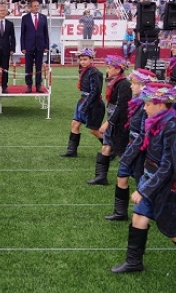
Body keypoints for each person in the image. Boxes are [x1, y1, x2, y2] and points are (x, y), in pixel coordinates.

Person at [111, 82, 176, 286]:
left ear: (160, 104)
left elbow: (170, 167)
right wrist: (124, 160)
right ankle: (134, 262)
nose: (144, 107)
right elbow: (140, 142)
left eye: (147, 103)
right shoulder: (153, 121)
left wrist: (143, 190)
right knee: (139, 218)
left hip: (172, 189)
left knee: (173, 231)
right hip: (152, 181)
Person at [105, 68, 157, 221]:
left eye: (134, 83)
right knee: (121, 176)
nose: (130, 86)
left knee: (142, 181)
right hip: (131, 145)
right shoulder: (135, 102)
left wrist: (130, 153)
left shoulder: (147, 105)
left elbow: (143, 133)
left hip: (141, 150)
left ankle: (153, 211)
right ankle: (120, 212)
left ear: (143, 86)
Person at [88, 55, 132, 185]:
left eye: (109, 67)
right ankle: (101, 176)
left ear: (118, 70)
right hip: (113, 115)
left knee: (122, 151)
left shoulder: (124, 84)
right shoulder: (115, 81)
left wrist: (109, 122)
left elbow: (122, 107)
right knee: (106, 146)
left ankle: (143, 177)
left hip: (119, 121)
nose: (107, 70)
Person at [59, 48, 105, 158]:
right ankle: (72, 151)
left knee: (94, 130)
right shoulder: (82, 70)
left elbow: (96, 91)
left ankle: (110, 148)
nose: (82, 62)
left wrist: (86, 105)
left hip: (93, 104)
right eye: (81, 59)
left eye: (85, 59)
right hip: (83, 101)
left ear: (91, 59)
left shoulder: (95, 72)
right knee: (75, 124)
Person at [20, 0, 49, 93]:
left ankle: (38, 85)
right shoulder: (25, 18)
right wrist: (23, 47)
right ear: (30, 7)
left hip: (40, 46)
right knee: (28, 67)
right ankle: (29, 85)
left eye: (37, 6)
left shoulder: (43, 18)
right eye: (35, 6)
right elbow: (23, 34)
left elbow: (46, 33)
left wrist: (46, 46)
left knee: (39, 67)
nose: (37, 7)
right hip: (28, 46)